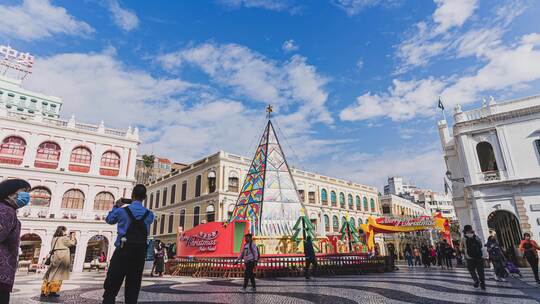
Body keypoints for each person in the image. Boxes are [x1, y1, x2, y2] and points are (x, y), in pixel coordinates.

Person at [102, 185, 154, 304]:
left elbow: (109, 220)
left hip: (122, 252)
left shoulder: (122, 211)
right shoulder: (150, 214)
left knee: (112, 285)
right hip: (139, 254)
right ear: (145, 197)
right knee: (133, 287)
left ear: (132, 196)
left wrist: (116, 205)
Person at [0, 179, 31, 304]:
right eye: (24, 191)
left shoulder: (7, 210)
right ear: (10, 193)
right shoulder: (6, 211)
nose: (27, 196)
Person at [41, 226, 77, 297]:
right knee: (58, 275)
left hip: (54, 257)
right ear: (62, 231)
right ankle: (52, 291)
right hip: (62, 258)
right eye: (65, 231)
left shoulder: (54, 238)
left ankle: (44, 290)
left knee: (50, 274)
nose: (66, 232)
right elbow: (72, 243)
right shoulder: (64, 238)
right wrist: (72, 236)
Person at [460, 225, 486, 290]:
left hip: (469, 257)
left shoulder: (463, 238)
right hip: (478, 256)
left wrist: (464, 252)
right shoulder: (476, 236)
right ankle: (482, 283)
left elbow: (461, 248)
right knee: (480, 270)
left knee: (471, 270)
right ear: (471, 229)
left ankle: (476, 280)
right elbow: (480, 245)